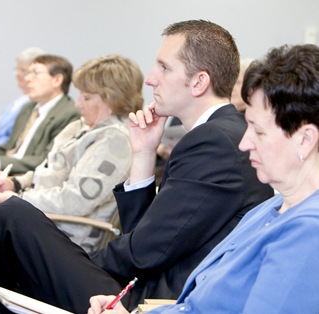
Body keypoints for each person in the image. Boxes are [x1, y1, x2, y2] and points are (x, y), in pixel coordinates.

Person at [0, 20, 273, 314]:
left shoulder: (214, 140)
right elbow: (149, 238)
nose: (151, 79)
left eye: (163, 67)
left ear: (199, 82)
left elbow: (146, 251)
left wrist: (76, 260)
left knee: (10, 217)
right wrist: (143, 155)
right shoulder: (216, 135)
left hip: (147, 300)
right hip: (142, 286)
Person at [89, 43, 319, 314]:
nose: (245, 143)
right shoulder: (266, 211)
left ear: (305, 140)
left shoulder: (308, 233)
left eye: (257, 131)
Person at [0, 54, 144, 252]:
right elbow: (50, 172)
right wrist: (14, 183)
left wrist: (19, 198)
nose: (78, 104)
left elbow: (74, 201)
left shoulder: (115, 141)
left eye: (86, 97)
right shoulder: (81, 127)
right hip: (44, 219)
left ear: (112, 99)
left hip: (65, 238)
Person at [0, 53, 80, 178]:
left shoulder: (69, 114)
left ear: (57, 80)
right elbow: (8, 147)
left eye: (36, 73)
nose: (27, 78)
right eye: (28, 73)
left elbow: (47, 160)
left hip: (22, 179)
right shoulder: (28, 108)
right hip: (1, 172)